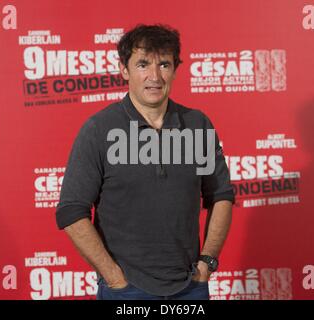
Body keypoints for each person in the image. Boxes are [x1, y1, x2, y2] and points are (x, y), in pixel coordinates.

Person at [55, 24, 234, 300]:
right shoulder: (99, 129)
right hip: (126, 291)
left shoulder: (198, 125)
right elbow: (70, 211)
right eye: (142, 64)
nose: (154, 76)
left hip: (190, 288)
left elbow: (221, 195)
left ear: (175, 69)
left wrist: (206, 264)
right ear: (124, 70)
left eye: (164, 64)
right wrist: (114, 278)